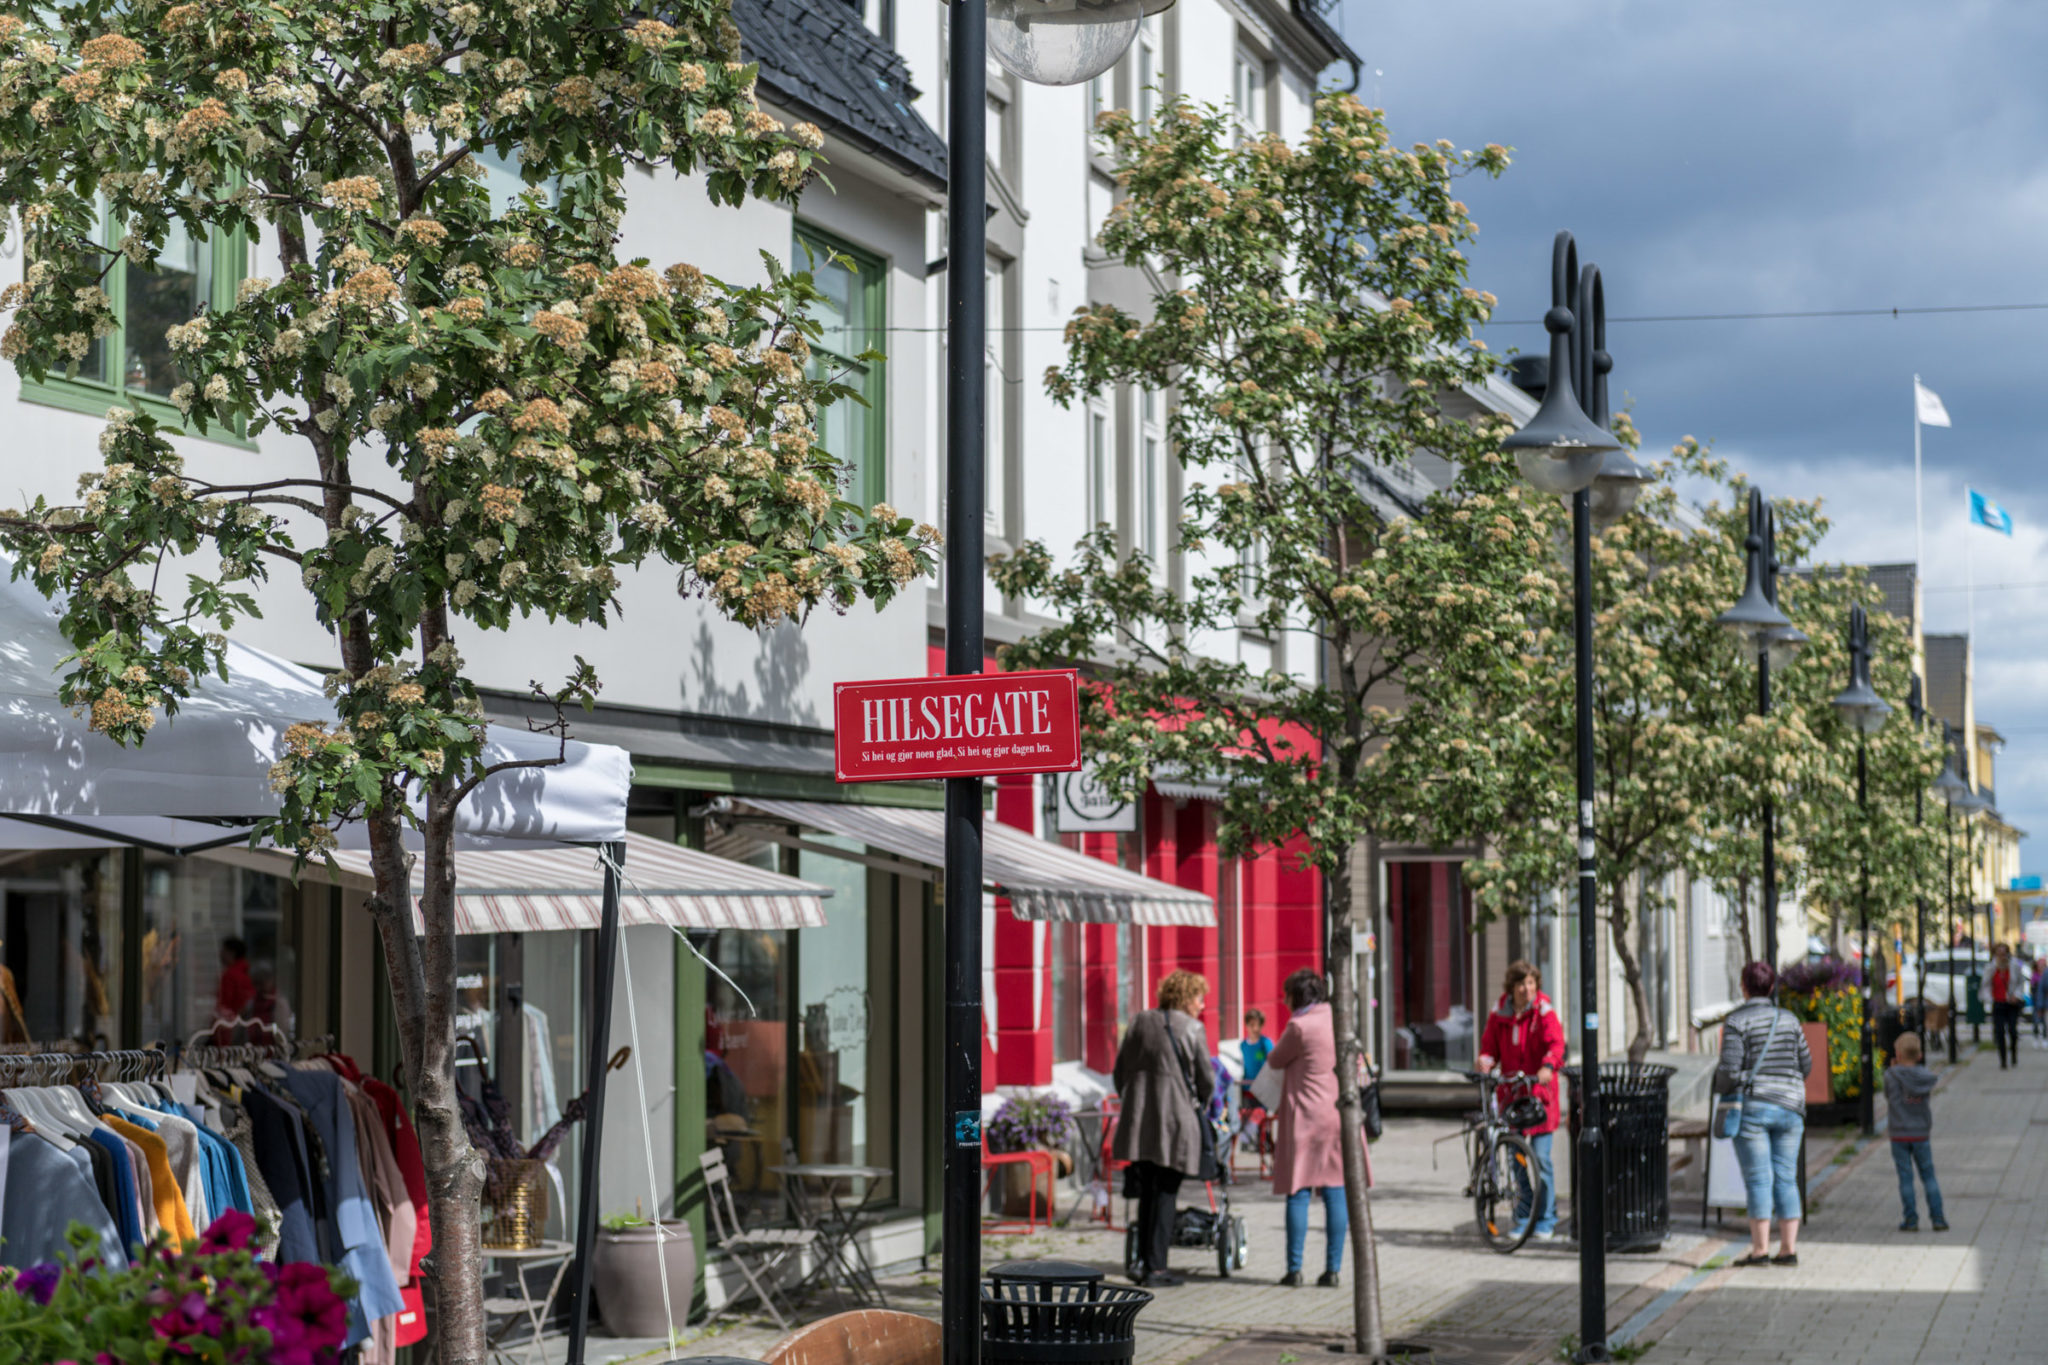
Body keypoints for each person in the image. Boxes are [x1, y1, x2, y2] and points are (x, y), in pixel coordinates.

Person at [1112, 969, 1214, 1287]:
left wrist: (1135, 1099)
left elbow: (1119, 1072)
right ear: (1186, 997)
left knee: (1147, 1191)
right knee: (1166, 1193)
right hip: (1176, 1123)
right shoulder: (1193, 1029)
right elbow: (1206, 1080)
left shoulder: (1140, 1022)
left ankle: (1143, 1262)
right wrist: (1201, 1102)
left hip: (1140, 1121)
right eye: (1199, 998)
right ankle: (1157, 1268)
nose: (1202, 1005)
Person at [1714, 960, 1814, 1268]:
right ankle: (1788, 1249)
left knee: (1759, 1179)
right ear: (1771, 987)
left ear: (1743, 987)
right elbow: (1806, 1064)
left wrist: (1721, 1084)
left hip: (1754, 1107)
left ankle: (1759, 1251)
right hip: (1791, 1107)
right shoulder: (1789, 1020)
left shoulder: (1736, 1021)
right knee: (1786, 1177)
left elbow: (1730, 1069)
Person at [1267, 967, 1346, 1287]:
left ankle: (1294, 1270)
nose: (1284, 1001)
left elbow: (1275, 1060)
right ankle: (1333, 1271)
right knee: (1335, 1192)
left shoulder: (1299, 1027)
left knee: (1298, 1191)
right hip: (1337, 1117)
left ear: (1296, 997)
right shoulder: (1339, 1021)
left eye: (1286, 995)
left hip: (1305, 1119)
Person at [1476, 960, 1565, 1241]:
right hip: (1512, 1097)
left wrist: (1548, 1066)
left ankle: (1547, 1218)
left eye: (1531, 983)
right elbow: (1489, 1048)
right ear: (1511, 987)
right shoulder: (1499, 1013)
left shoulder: (1544, 1011)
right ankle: (1524, 1216)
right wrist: (1485, 1061)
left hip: (1539, 1097)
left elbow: (1556, 1045)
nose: (1527, 989)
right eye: (1521, 984)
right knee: (1517, 1161)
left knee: (1540, 1158)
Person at [1884, 1031, 1946, 1232]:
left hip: (1899, 1133)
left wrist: (1894, 1068)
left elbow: (1888, 1095)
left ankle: (1911, 1219)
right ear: (1919, 1055)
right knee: (1928, 1175)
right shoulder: (1925, 1077)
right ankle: (1938, 1218)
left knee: (1905, 1177)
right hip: (1921, 1132)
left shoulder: (1891, 1076)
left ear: (1898, 1054)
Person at [1237, 1008, 1274, 1146]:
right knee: (1247, 1115)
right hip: (1247, 1088)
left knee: (1260, 1115)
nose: (1255, 1029)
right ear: (1246, 1025)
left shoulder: (1265, 1043)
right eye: (1251, 1025)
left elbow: (1273, 1061)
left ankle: (1263, 1141)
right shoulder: (1242, 1046)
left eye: (1257, 1025)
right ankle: (1249, 1140)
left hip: (1263, 1088)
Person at [1985, 942, 2023, 1069]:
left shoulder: (2014, 967)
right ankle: (2003, 1060)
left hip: (2012, 1004)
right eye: (1999, 954)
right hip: (1998, 1004)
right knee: (2000, 1033)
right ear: (1995, 955)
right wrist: (1990, 999)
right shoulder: (1990, 968)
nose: (2002, 956)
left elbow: (2020, 983)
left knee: (2012, 1030)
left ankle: (2013, 1053)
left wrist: (2016, 995)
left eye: (2004, 953)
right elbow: (1985, 986)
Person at [214, 936, 253, 1021]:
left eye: (223, 951)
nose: (220, 954)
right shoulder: (247, 972)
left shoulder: (230, 975)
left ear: (231, 953)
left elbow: (225, 1005)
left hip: (231, 1022)